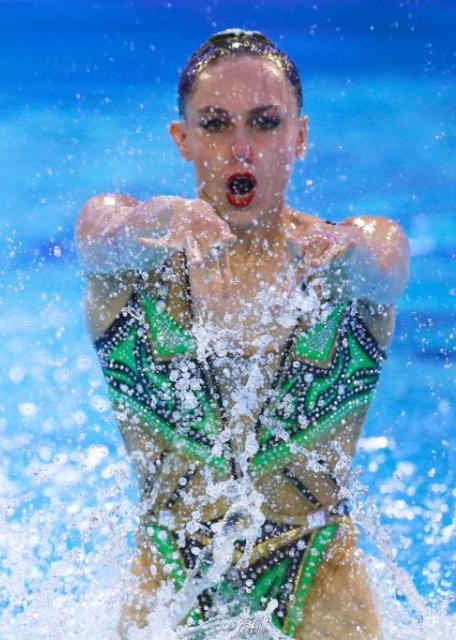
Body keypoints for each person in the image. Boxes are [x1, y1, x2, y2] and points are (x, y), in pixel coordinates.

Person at [75, 30, 409, 638]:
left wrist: (347, 256)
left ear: (299, 136)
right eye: (214, 124)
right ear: (182, 140)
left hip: (317, 563)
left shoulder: (346, 255)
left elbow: (384, 266)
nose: (240, 149)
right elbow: (100, 236)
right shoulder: (135, 263)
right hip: (171, 565)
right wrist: (153, 220)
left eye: (264, 122)